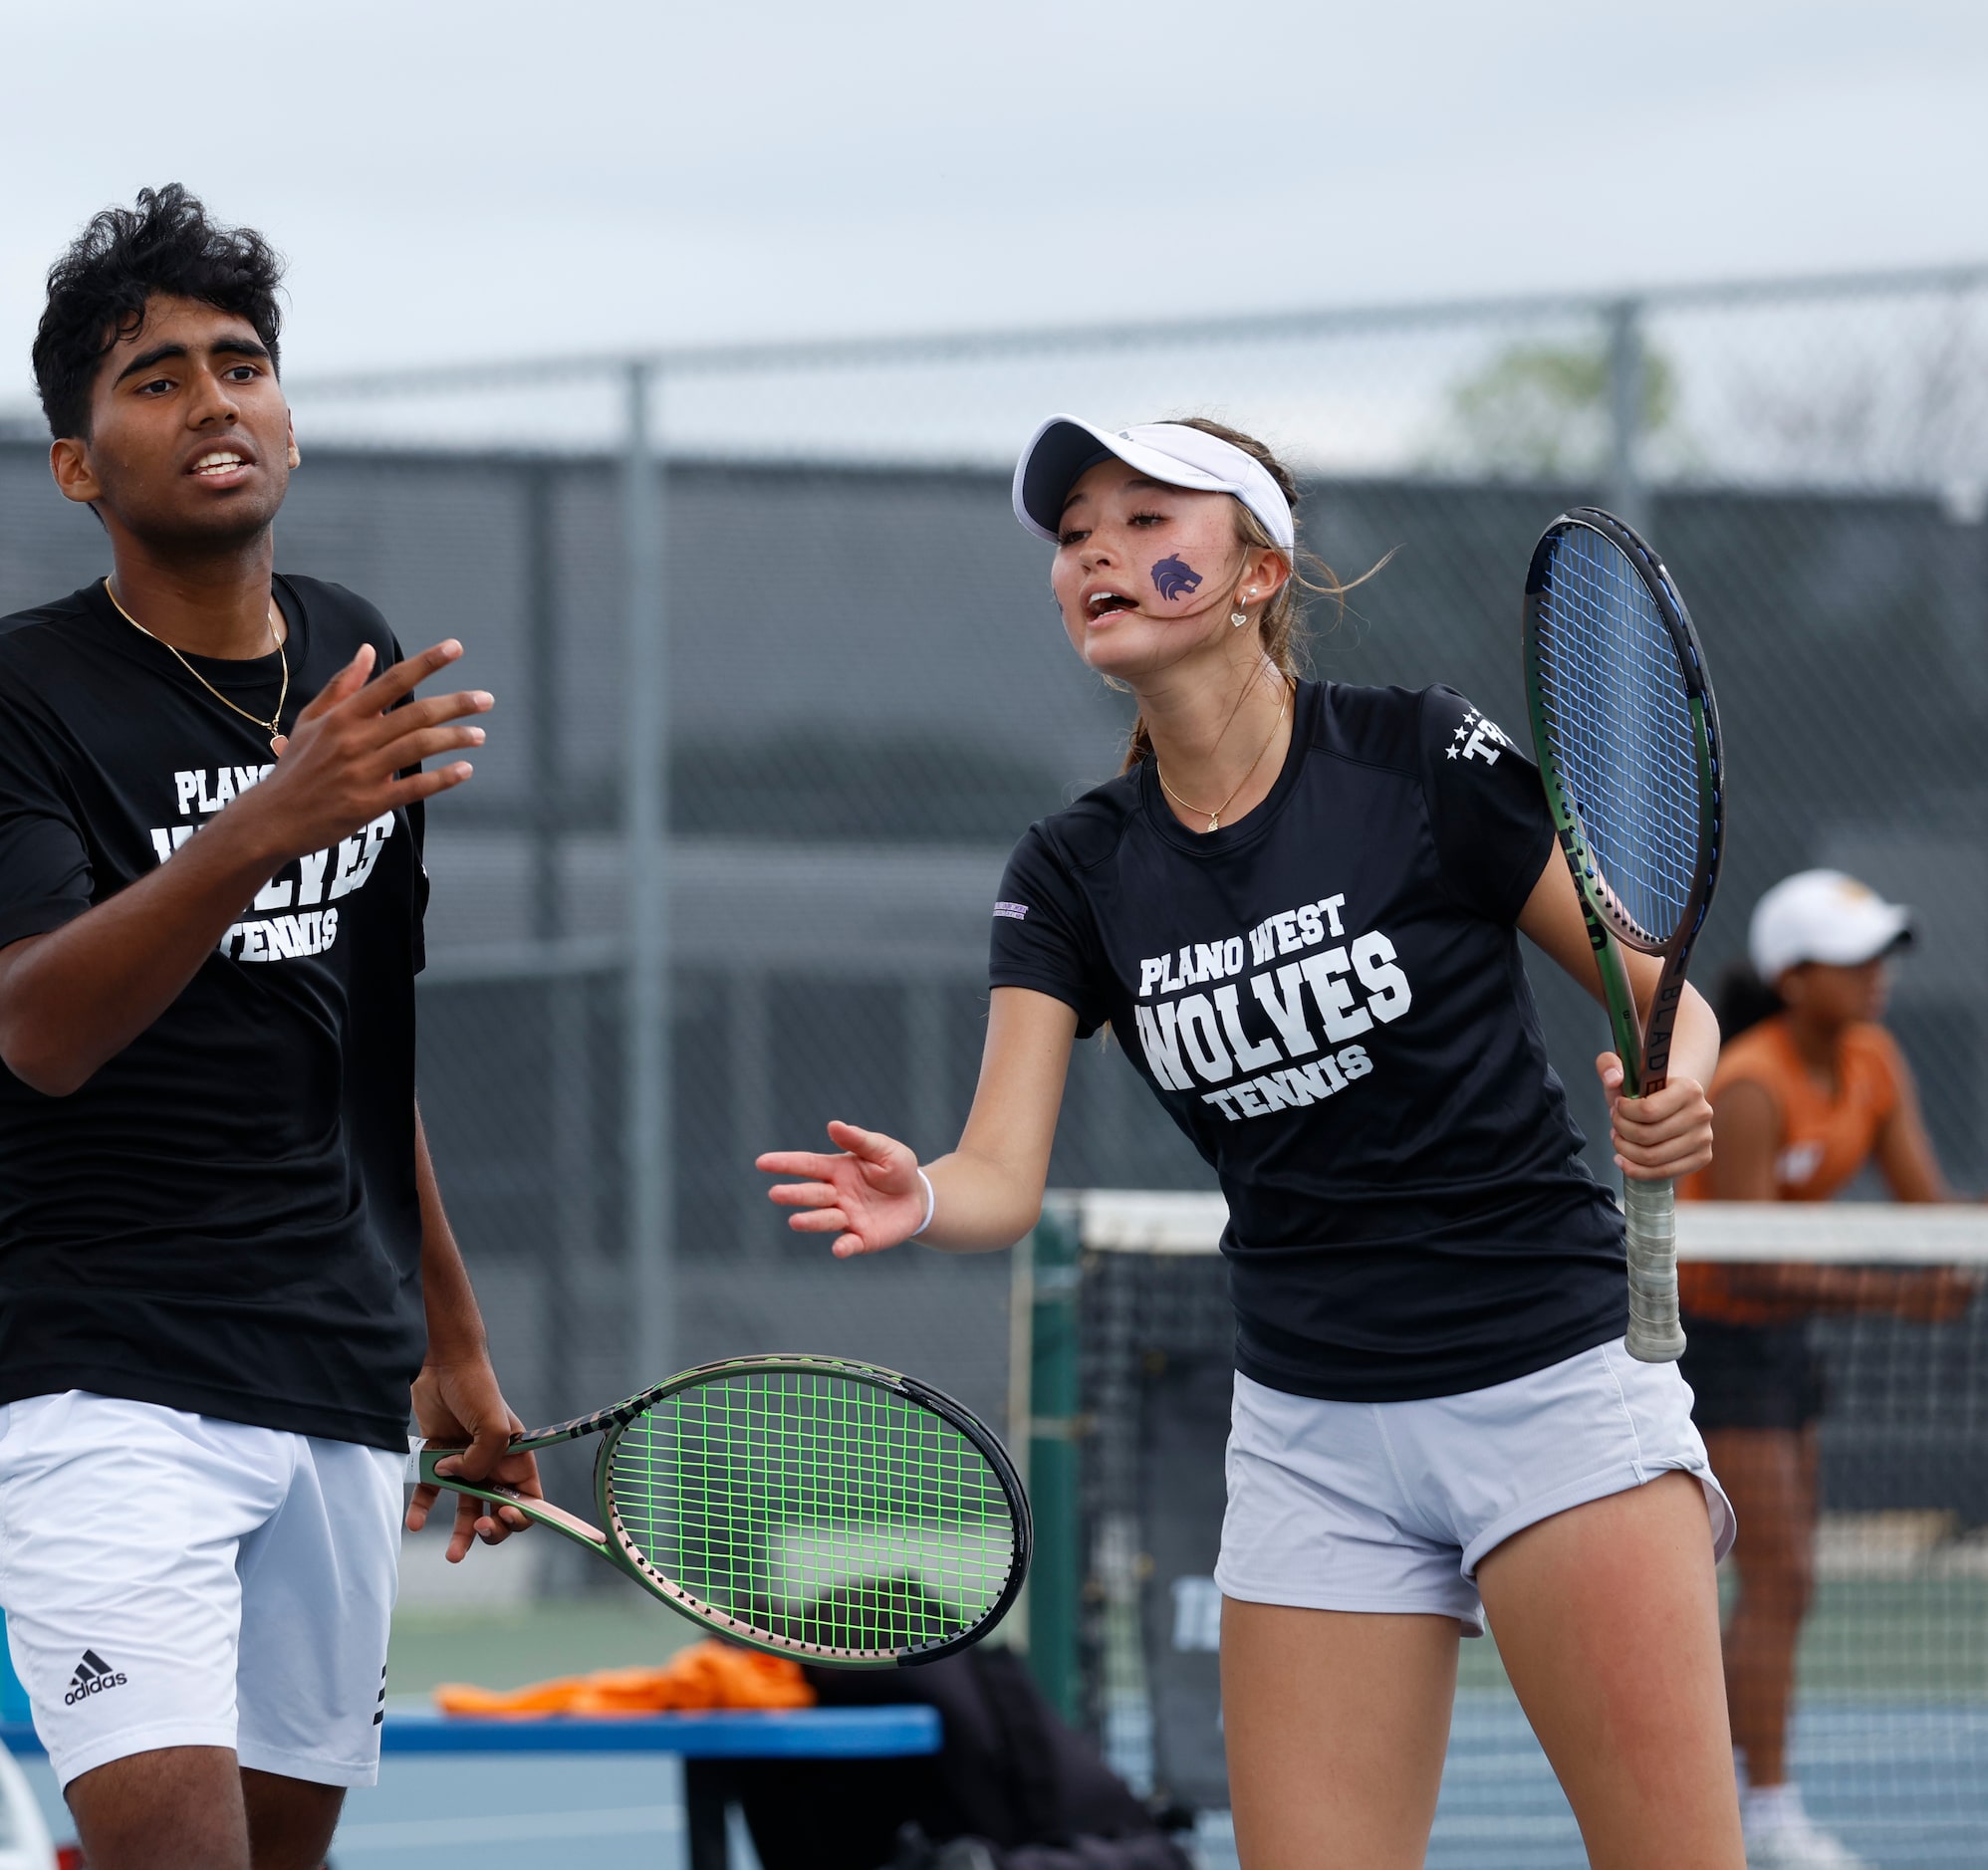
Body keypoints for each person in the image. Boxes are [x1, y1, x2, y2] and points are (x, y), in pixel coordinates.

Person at [760, 413, 1743, 1868]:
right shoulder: (1074, 870)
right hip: (1311, 1435)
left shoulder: (1419, 757)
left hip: (1552, 1388)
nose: (1098, 546)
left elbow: (1668, 1001)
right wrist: (922, 1195)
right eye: (1077, 526)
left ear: (1257, 572)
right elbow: (996, 1171)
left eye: (1150, 516)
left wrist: (1677, 1093)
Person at [0, 185, 535, 1870]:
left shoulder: (351, 657)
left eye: (239, 364)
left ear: (290, 422)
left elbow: (357, 1027)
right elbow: (35, 1027)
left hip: (328, 1363)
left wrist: (446, 1336)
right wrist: (268, 816)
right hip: (96, 1371)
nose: (211, 401)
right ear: (78, 463)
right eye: (154, 378)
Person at [1680, 869, 1973, 1870]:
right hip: (1707, 1337)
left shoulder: (1871, 1061)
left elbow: (1929, 1208)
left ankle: (1729, 1790)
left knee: (1778, 1585)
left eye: (1879, 955)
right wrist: (1898, 1296)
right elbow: (1748, 1264)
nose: (1876, 978)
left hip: (1782, 1338)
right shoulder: (1751, 1083)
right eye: (1852, 962)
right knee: (1780, 1577)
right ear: (1793, 978)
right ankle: (1757, 1809)